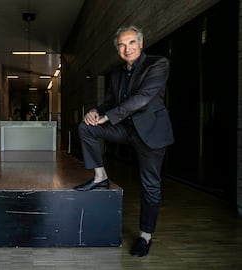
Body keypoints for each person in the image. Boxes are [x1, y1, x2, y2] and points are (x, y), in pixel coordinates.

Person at [74, 25, 174, 257]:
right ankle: (100, 177)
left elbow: (143, 98)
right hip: (125, 129)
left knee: (150, 185)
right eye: (121, 44)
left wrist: (108, 117)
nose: (126, 48)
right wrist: (96, 112)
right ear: (117, 49)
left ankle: (145, 237)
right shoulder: (118, 73)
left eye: (131, 43)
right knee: (85, 127)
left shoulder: (158, 64)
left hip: (151, 133)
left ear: (140, 43)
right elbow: (109, 101)